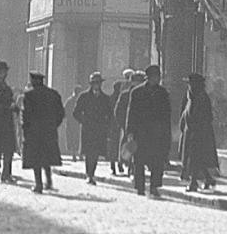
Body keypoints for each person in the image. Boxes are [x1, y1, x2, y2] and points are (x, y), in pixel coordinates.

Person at [124, 64, 171, 198]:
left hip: (157, 133)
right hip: (141, 133)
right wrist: (130, 131)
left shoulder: (162, 93)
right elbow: (131, 113)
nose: (157, 79)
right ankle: (140, 187)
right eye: (155, 76)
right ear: (149, 77)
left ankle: (154, 187)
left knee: (157, 161)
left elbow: (166, 115)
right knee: (139, 161)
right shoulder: (137, 92)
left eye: (158, 76)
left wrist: (166, 133)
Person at [20, 72, 64, 193]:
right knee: (47, 156)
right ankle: (49, 181)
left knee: (36, 159)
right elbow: (61, 113)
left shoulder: (29, 95)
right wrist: (54, 125)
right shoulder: (53, 94)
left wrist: (25, 129)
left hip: (34, 132)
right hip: (49, 131)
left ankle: (39, 185)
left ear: (34, 81)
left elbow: (25, 115)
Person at [179, 72, 219, 192]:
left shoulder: (201, 97)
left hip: (200, 133)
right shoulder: (190, 96)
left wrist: (196, 128)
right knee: (197, 158)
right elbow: (186, 112)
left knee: (195, 157)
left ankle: (193, 183)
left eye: (191, 84)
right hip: (191, 132)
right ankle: (207, 179)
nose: (189, 86)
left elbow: (206, 116)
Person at [71, 72, 113, 184]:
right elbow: (76, 112)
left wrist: (106, 125)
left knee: (96, 153)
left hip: (99, 130)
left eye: (98, 83)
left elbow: (110, 114)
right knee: (89, 152)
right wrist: (84, 121)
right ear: (91, 84)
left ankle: (92, 174)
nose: (97, 85)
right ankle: (89, 174)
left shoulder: (105, 98)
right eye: (94, 83)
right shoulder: (84, 97)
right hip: (88, 129)